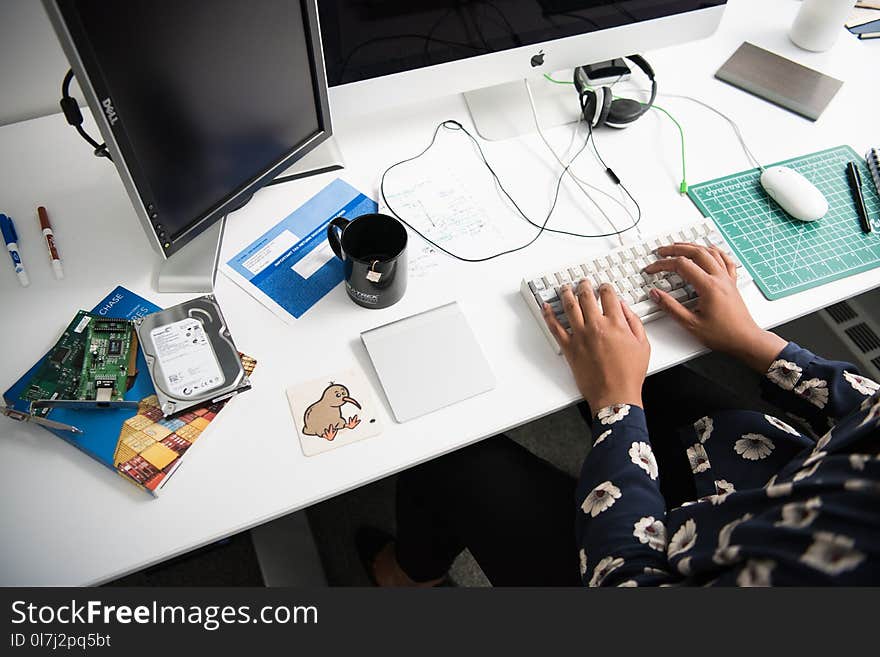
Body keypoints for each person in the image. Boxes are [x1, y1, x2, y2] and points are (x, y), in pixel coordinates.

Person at [357, 242, 880, 586]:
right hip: (766, 474)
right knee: (641, 357)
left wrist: (615, 405)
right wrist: (753, 342)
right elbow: (866, 406)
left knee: (450, 458)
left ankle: (405, 577)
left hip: (648, 569)